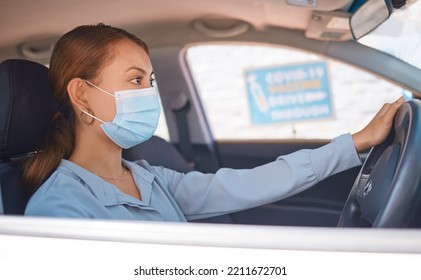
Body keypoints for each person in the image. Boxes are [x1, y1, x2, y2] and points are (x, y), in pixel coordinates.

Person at [24, 24, 405, 221]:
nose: (148, 93)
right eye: (135, 80)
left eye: (150, 82)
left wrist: (353, 143)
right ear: (82, 94)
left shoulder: (149, 178)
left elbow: (250, 184)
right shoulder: (59, 207)